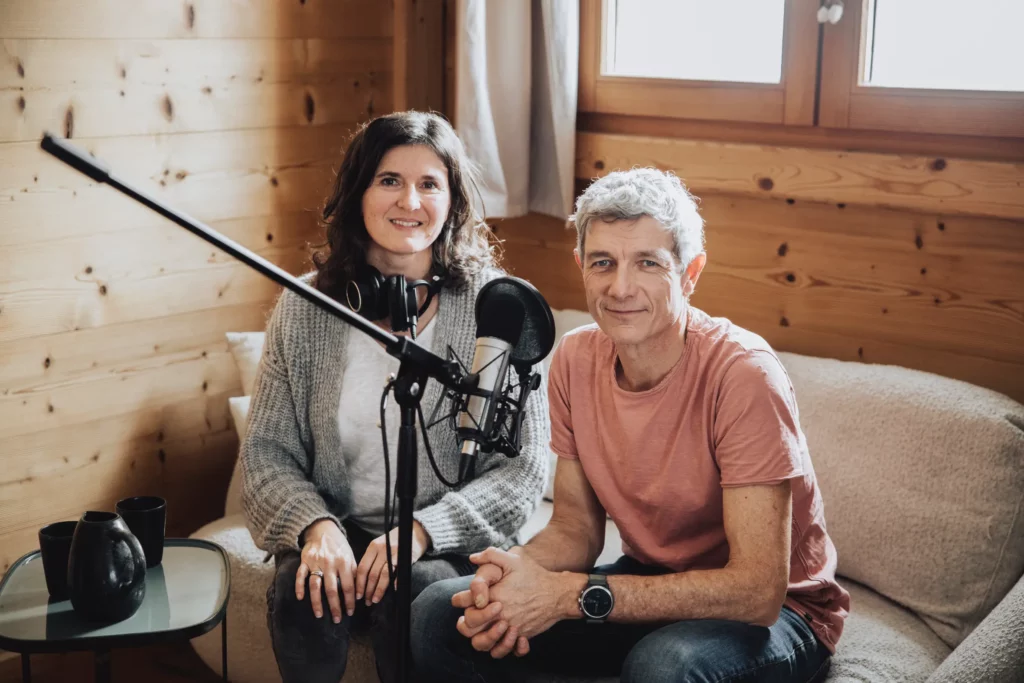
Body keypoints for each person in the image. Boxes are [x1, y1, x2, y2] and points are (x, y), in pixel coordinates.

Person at [411, 167, 850, 682]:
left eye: (647, 263)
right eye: (603, 262)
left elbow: (756, 591)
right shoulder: (575, 357)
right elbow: (576, 528)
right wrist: (518, 574)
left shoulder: (745, 374)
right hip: (653, 582)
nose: (620, 288)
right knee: (442, 612)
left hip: (782, 615)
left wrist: (568, 597)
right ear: (581, 267)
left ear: (690, 273)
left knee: (662, 667)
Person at [240, 111, 550, 683]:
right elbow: (265, 453)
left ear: (451, 201)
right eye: (390, 180)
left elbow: (523, 472)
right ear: (359, 194)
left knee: (420, 594)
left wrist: (423, 532)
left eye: (429, 184)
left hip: (442, 541)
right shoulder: (305, 309)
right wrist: (315, 527)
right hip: (337, 526)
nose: (410, 200)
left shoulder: (498, 310)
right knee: (300, 593)